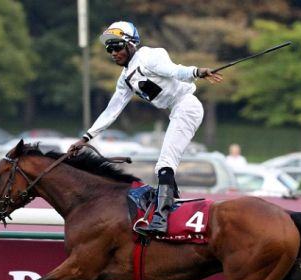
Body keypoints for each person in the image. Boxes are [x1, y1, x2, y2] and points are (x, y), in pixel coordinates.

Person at [68, 21, 223, 234]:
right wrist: (85, 139)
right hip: (176, 110)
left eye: (117, 46)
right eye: (109, 49)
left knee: (165, 164)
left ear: (132, 44)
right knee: (164, 165)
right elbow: (111, 111)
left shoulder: (149, 56)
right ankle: (169, 209)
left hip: (187, 105)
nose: (113, 52)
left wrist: (197, 71)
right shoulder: (125, 79)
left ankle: (161, 219)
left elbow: (174, 71)